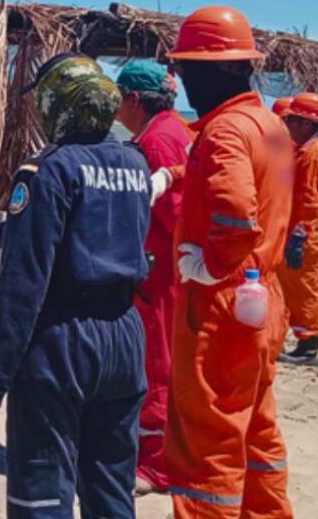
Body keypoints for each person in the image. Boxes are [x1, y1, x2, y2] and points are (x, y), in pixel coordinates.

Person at [0, 52, 150, 517]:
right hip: (125, 338)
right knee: (111, 488)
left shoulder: (48, 168)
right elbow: (107, 227)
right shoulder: (134, 162)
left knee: (41, 492)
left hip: (63, 341)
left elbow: (22, 283)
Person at [164, 5, 295, 518]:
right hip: (264, 300)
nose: (183, 81)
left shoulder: (224, 133)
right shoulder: (270, 126)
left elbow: (238, 217)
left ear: (216, 69)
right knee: (256, 426)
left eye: (189, 69)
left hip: (222, 305)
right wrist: (177, 177)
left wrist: (211, 265)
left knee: (208, 440)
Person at [114, 59, 192, 496]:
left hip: (161, 271)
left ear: (134, 100)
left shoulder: (159, 140)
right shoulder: (171, 130)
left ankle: (158, 467)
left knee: (157, 365)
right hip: (166, 268)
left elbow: (177, 215)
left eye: (119, 97)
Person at [277, 93, 318, 366]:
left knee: (303, 288)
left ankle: (308, 345)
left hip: (307, 233)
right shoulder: (303, 150)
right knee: (292, 286)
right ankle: (300, 338)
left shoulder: (314, 155)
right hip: (300, 230)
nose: (286, 124)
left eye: (291, 119)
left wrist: (299, 236)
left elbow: (310, 202)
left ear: (306, 123)